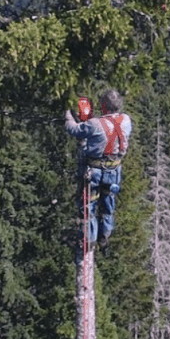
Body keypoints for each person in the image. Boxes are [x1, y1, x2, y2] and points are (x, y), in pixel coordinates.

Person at [65, 89, 133, 252]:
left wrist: (67, 112)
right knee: (108, 204)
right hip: (114, 170)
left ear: (103, 106)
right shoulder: (126, 120)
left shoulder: (94, 124)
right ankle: (104, 237)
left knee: (88, 206)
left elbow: (73, 129)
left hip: (93, 172)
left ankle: (88, 241)